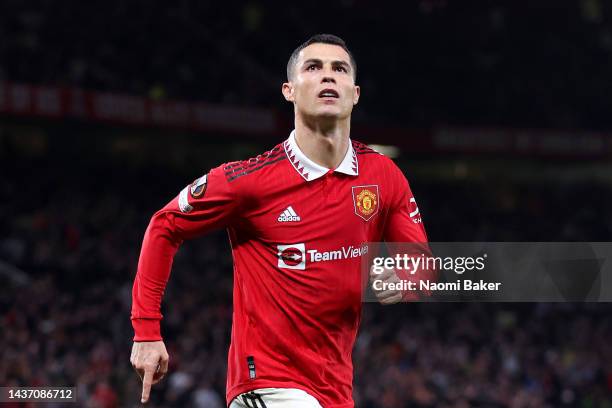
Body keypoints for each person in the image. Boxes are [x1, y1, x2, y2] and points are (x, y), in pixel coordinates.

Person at [130, 34, 428, 407]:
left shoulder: (383, 176)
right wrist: (146, 330)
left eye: (339, 69)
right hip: (265, 383)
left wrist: (405, 278)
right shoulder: (248, 181)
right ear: (289, 90)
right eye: (313, 67)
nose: (327, 77)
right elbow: (165, 225)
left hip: (334, 389)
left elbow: (421, 266)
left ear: (355, 93)